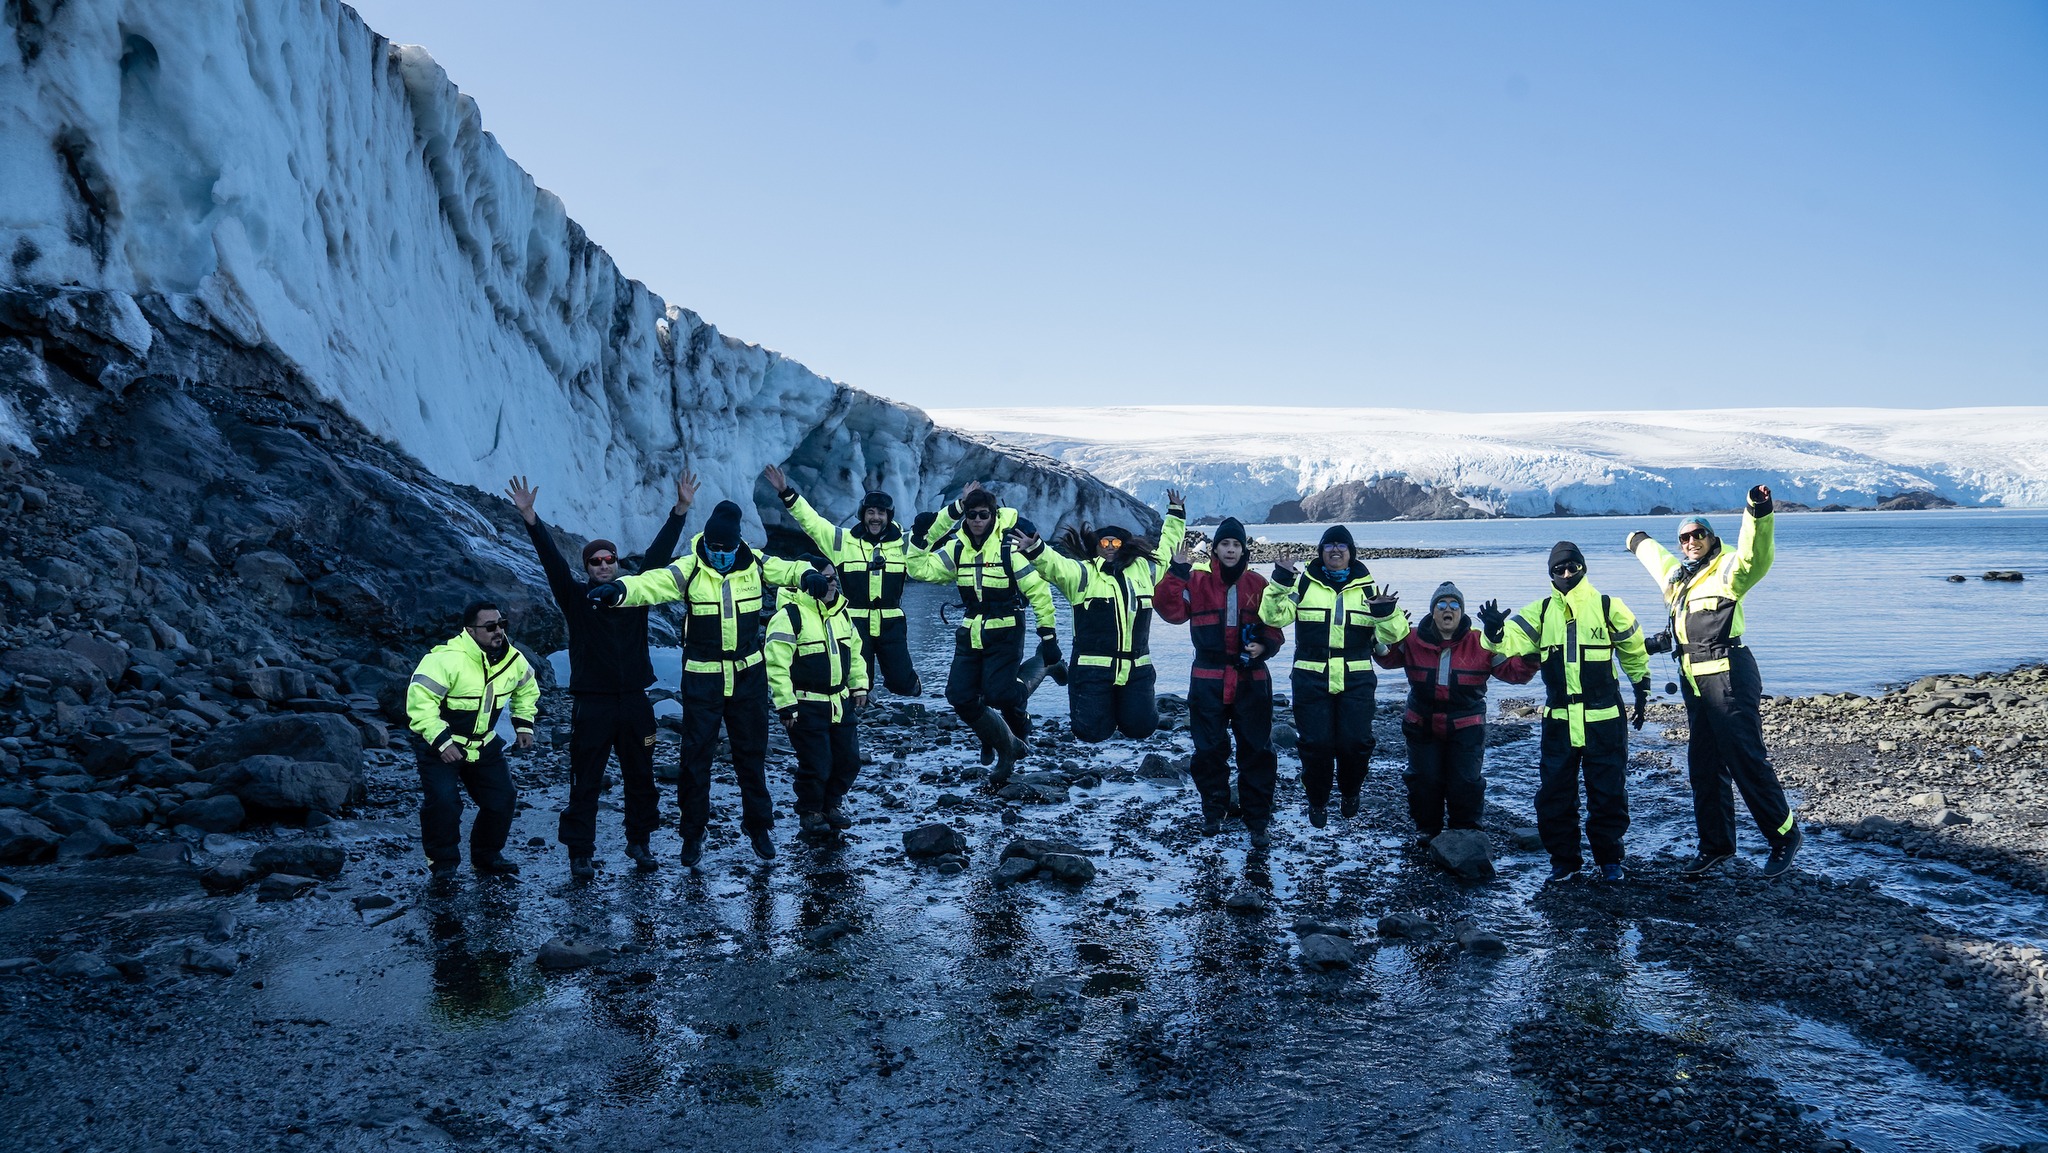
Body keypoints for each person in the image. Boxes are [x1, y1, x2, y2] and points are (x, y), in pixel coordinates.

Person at [590, 499, 816, 865]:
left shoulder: (755, 564)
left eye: (727, 548)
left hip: (748, 677)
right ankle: (692, 835)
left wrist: (808, 575)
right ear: (706, 542)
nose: (720, 554)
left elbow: (789, 570)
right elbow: (654, 583)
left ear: (738, 543)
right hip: (703, 678)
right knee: (695, 760)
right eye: (715, 547)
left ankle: (759, 826)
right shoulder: (691, 566)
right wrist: (621, 591)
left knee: (751, 756)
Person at [506, 472, 694, 881]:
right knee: (585, 778)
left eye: (610, 559)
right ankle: (580, 852)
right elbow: (551, 561)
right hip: (592, 703)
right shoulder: (575, 597)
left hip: (634, 701)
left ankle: (639, 842)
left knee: (641, 775)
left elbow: (657, 557)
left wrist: (680, 511)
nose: (605, 565)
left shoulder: (635, 591)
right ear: (587, 567)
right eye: (596, 561)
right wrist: (530, 517)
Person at [1627, 484, 1800, 878]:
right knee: (1703, 766)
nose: (1691, 542)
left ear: (1711, 537)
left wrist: (1758, 510)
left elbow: (1756, 554)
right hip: (1695, 684)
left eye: (1698, 534)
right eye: (1685, 537)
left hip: (1729, 677)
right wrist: (1636, 540)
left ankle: (1784, 836)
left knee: (1744, 759)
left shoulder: (1728, 570)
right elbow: (1656, 559)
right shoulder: (1679, 579)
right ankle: (1716, 846)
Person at [1493, 542, 1653, 884]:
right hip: (1559, 722)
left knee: (1608, 793)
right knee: (1554, 795)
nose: (1567, 574)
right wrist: (1494, 632)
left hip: (1605, 720)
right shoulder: (1539, 612)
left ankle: (1609, 859)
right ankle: (1564, 861)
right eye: (1559, 569)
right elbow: (1509, 643)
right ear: (1550, 574)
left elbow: (1634, 650)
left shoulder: (1610, 607)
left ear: (1584, 567)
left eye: (1573, 567)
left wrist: (1641, 690)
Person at [906, 483, 1060, 785]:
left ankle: (1045, 664)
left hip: (1006, 630)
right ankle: (1008, 742)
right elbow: (918, 568)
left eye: (984, 515)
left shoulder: (1009, 549)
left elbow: (1039, 591)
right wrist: (930, 531)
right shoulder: (958, 548)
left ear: (993, 516)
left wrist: (1049, 637)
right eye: (972, 514)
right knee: (960, 696)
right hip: (970, 630)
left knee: (998, 694)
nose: (977, 520)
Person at [1009, 490, 1186, 742]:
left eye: (1116, 543)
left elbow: (1168, 548)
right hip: (1092, 671)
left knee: (1141, 728)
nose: (1111, 548)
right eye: (1105, 543)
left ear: (1125, 546)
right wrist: (1036, 549)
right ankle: (1066, 678)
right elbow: (1055, 565)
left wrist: (1176, 514)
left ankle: (1123, 707)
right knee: (1091, 733)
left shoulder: (1145, 571)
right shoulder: (1082, 574)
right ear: (1097, 547)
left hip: (1136, 669)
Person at [1259, 525, 1404, 828]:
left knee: (1356, 743)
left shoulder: (1369, 590)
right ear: (1321, 551)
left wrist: (1387, 613)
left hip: (1357, 677)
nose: (1335, 550)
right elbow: (1273, 616)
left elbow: (1393, 638)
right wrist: (1281, 581)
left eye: (1342, 545)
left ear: (1351, 553)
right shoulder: (1304, 586)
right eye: (1329, 545)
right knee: (1316, 745)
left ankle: (1351, 793)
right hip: (1311, 676)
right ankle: (1317, 800)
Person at [1155, 517, 1288, 847]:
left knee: (1257, 750)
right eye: (1225, 544)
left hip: (1251, 680)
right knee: (1208, 750)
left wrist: (1265, 646)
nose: (1231, 550)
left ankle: (1257, 819)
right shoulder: (1197, 581)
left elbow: (1275, 626)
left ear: (1244, 550)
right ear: (1215, 549)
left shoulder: (1258, 583)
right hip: (1208, 679)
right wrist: (1177, 572)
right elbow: (1169, 610)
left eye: (1236, 545)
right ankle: (1214, 811)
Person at [1375, 582, 1538, 842]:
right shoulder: (1413, 638)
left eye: (1454, 605)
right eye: (1441, 605)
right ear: (1433, 612)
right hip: (1422, 724)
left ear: (1462, 612)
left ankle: (1466, 831)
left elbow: (1514, 673)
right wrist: (1381, 622)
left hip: (1466, 726)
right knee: (1424, 780)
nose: (1447, 610)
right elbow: (1386, 657)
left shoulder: (1480, 641)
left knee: (1465, 781)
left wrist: (1532, 652)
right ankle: (1427, 830)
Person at [405, 601, 540, 879]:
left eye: (502, 624)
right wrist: (442, 742)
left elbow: (527, 687)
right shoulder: (444, 659)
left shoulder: (513, 659)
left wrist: (524, 725)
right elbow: (420, 703)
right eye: (490, 627)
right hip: (439, 744)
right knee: (444, 802)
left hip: (483, 742)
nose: (498, 631)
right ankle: (443, 864)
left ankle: (487, 856)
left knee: (502, 799)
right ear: (470, 630)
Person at [763, 465, 921, 697]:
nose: (875, 517)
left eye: (881, 512)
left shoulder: (903, 545)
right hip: (855, 623)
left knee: (902, 684)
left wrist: (959, 511)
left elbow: (931, 541)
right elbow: (812, 523)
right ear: (862, 515)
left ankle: (909, 687)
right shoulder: (841, 541)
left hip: (891, 624)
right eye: (871, 512)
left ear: (889, 516)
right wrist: (786, 492)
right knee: (857, 684)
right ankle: (851, 717)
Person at [766, 568, 871, 839]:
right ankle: (810, 811)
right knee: (817, 763)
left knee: (849, 760)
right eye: (823, 579)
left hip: (840, 701)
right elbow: (776, 664)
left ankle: (832, 803)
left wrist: (860, 686)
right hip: (805, 704)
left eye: (833, 577)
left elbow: (856, 654)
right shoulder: (789, 616)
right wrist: (785, 704)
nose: (831, 583)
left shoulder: (842, 613)